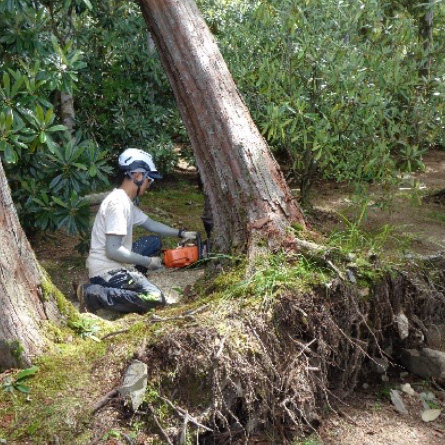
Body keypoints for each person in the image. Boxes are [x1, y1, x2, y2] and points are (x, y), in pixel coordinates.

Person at [76, 148, 197, 314]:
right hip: (107, 270)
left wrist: (181, 233)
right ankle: (92, 294)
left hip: (116, 262)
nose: (149, 185)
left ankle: (129, 284)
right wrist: (147, 262)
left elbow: (151, 224)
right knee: (155, 298)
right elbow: (113, 250)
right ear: (138, 176)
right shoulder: (117, 204)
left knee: (153, 242)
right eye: (149, 180)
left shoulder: (125, 201)